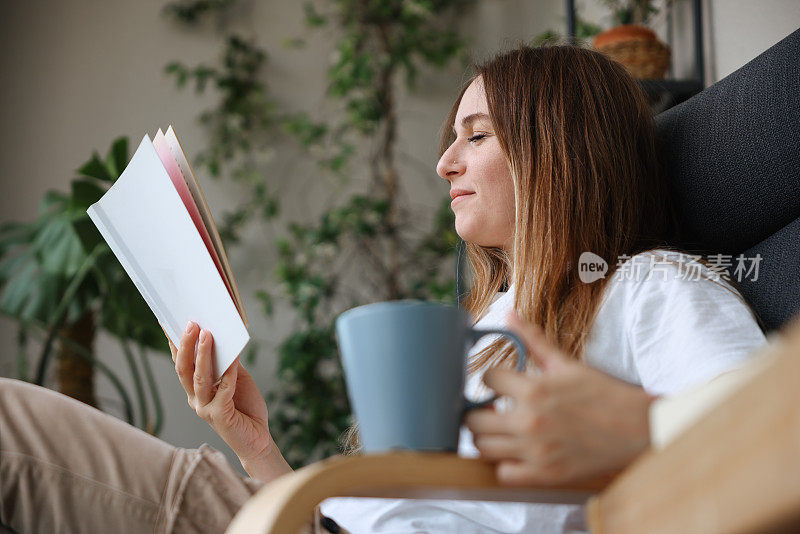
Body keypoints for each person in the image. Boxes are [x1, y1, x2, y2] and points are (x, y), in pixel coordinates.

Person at [0, 44, 766, 534]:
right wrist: (253, 443)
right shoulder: (487, 324)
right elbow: (370, 513)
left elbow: (758, 441)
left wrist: (632, 431)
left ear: (555, 148)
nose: (445, 166)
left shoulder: (648, 288)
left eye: (476, 135)